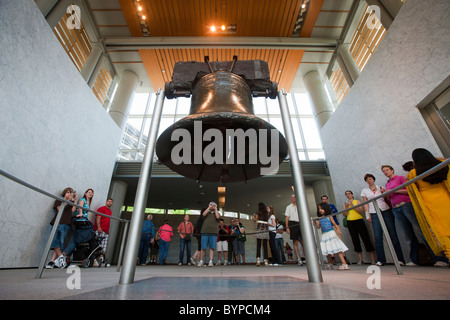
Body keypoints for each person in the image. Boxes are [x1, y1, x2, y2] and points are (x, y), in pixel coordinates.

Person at [407, 148, 450, 263]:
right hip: (446, 199)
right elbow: (446, 160)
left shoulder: (414, 173)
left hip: (430, 205)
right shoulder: (442, 166)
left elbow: (412, 190)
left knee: (441, 232)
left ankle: (449, 255)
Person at [382, 165, 423, 265]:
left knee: (419, 229)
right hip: (396, 208)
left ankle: (439, 258)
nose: (385, 172)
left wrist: (394, 190)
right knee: (407, 234)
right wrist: (386, 194)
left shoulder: (400, 178)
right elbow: (390, 197)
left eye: (387, 170)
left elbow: (409, 190)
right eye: (383, 171)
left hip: (406, 205)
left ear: (392, 170)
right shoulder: (387, 184)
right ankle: (414, 259)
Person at [361, 174, 405, 266]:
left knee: (392, 234)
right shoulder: (364, 191)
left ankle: (400, 259)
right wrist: (367, 214)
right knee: (377, 236)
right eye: (367, 179)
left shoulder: (380, 188)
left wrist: (384, 192)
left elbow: (388, 198)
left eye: (371, 178)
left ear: (374, 179)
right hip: (374, 212)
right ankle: (381, 259)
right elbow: (365, 203)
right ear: (366, 181)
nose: (369, 180)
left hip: (385, 210)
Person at [46, 187, 78, 268]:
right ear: (64, 193)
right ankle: (61, 257)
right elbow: (59, 209)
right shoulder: (59, 200)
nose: (69, 194)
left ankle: (52, 261)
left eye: (70, 192)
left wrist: (75, 200)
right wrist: (67, 200)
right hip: (57, 222)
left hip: (66, 224)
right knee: (53, 240)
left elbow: (73, 210)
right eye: (68, 192)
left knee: (60, 242)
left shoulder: (71, 202)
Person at [61, 188, 94, 264]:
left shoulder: (88, 201)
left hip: (83, 221)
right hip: (79, 221)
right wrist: (80, 214)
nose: (90, 194)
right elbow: (80, 207)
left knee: (76, 240)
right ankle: (64, 255)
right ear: (85, 193)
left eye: (91, 193)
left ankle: (67, 256)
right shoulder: (83, 200)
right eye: (89, 192)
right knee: (75, 240)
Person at [343, 190, 376, 265]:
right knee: (355, 239)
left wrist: (353, 205)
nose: (348, 195)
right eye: (346, 194)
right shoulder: (345, 204)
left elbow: (361, 212)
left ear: (352, 194)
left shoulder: (357, 202)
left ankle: (373, 259)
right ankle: (360, 259)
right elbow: (344, 214)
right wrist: (347, 207)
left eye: (349, 194)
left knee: (365, 238)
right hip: (350, 222)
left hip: (359, 220)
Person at [316, 203, 350, 270]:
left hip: (331, 233)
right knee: (326, 249)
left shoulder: (329, 216)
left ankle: (344, 263)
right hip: (324, 234)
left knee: (337, 248)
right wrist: (316, 223)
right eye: (319, 209)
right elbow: (318, 226)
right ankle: (330, 263)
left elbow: (334, 223)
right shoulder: (320, 218)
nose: (320, 210)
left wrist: (338, 229)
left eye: (322, 209)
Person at [198, 202, 220, 267]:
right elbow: (203, 214)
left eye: (213, 205)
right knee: (203, 247)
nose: (212, 206)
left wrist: (216, 208)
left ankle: (210, 261)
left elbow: (218, 217)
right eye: (211, 205)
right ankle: (201, 261)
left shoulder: (217, 213)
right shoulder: (206, 212)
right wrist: (209, 207)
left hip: (213, 232)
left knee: (212, 247)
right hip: (205, 232)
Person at [284, 194, 304, 265]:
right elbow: (287, 217)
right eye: (292, 197)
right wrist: (287, 227)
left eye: (294, 197)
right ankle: (299, 259)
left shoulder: (300, 205)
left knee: (303, 242)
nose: (293, 198)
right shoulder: (288, 207)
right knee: (295, 242)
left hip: (301, 223)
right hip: (293, 224)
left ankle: (305, 258)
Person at [94, 197, 113, 267]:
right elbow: (98, 218)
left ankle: (101, 260)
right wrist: (99, 227)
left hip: (106, 231)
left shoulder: (110, 211)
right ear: (106, 202)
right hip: (100, 230)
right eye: (108, 201)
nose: (110, 203)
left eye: (111, 202)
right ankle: (94, 260)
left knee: (103, 247)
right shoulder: (101, 209)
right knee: (97, 246)